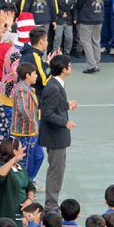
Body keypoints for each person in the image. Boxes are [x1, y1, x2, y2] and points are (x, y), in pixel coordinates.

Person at [38, 54, 76, 213]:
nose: (71, 68)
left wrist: (66, 105)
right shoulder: (54, 87)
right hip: (56, 136)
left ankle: (52, 204)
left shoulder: (55, 84)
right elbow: (47, 112)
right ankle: (51, 205)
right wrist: (64, 122)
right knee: (56, 171)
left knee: (58, 169)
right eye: (69, 65)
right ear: (64, 69)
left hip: (57, 136)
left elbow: (53, 107)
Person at [0, 137, 36, 227]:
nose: (23, 149)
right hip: (8, 218)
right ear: (14, 151)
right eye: (20, 147)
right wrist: (14, 159)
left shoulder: (20, 167)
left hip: (23, 217)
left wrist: (30, 199)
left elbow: (30, 186)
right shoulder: (1, 166)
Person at [73, 0, 105, 74]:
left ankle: (91, 65)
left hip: (87, 18)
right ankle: (96, 63)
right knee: (96, 41)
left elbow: (78, 3)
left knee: (86, 41)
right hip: (99, 17)